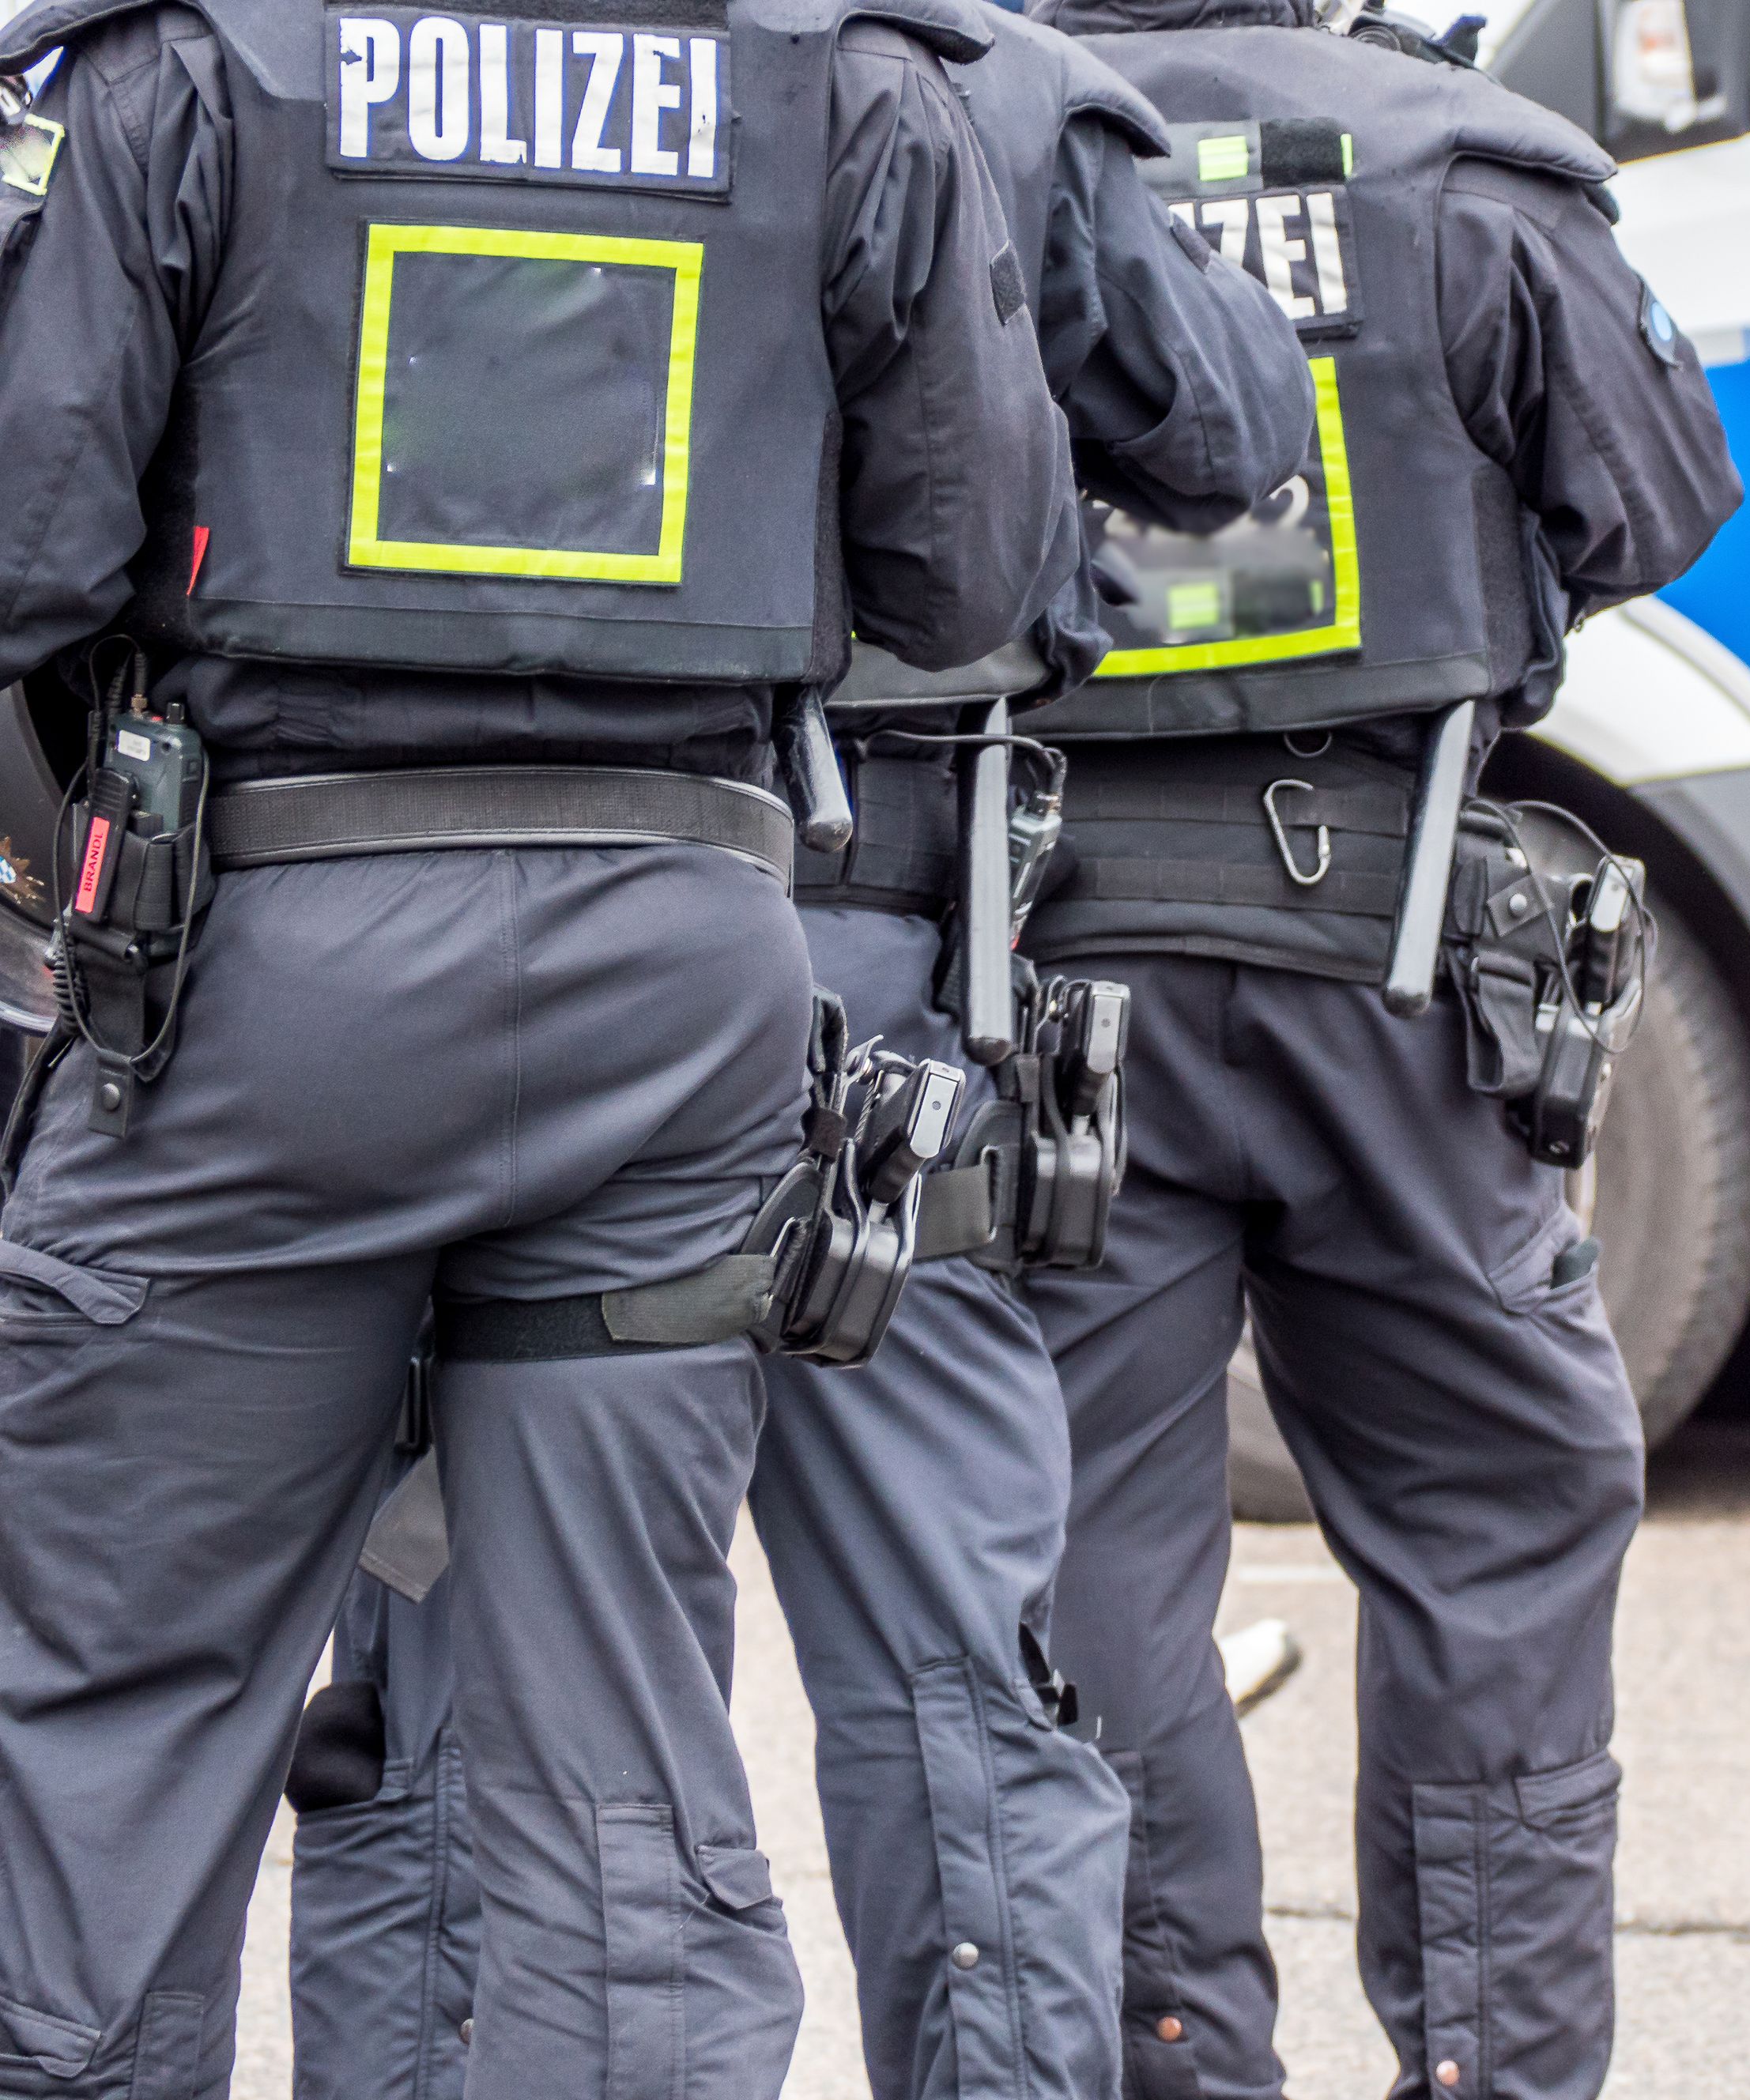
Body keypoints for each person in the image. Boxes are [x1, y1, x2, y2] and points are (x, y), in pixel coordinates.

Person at [0, 0, 1067, 2084]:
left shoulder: (185, 65)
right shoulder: (847, 78)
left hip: (261, 974)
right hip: (679, 976)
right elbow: (971, 575)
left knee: (121, 1730)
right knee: (621, 1766)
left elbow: (28, 547)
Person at [274, 14, 1318, 2100]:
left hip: (416, 939)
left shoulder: (311, 53)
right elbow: (1227, 431)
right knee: (950, 1659)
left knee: (449, 1652)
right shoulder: (958, 81)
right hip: (855, 962)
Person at [1011, 2, 1740, 2093]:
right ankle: (1494, 2067)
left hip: (1061, 971)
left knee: (1085, 1562)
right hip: (1403, 965)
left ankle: (1172, 2060)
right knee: (1500, 1528)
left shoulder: (967, 133)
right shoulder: (1461, 161)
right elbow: (1656, 500)